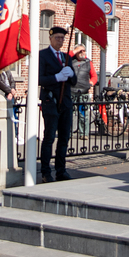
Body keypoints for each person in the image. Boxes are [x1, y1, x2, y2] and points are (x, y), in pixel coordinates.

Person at [38, 25, 75, 182]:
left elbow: (73, 82)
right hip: (50, 100)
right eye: (57, 38)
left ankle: (61, 169)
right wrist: (56, 77)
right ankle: (46, 172)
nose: (60, 41)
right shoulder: (43, 55)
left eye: (62, 38)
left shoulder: (67, 57)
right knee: (49, 137)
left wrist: (71, 74)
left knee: (64, 138)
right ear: (50, 38)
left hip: (65, 101)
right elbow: (39, 79)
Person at [70, 45, 98, 137]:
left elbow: (94, 76)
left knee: (83, 114)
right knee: (69, 114)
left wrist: (91, 83)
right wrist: (74, 51)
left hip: (84, 93)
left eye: (84, 51)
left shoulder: (88, 62)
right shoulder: (70, 60)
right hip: (71, 92)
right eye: (80, 51)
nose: (82, 53)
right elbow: (64, 57)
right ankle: (67, 133)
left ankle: (84, 133)